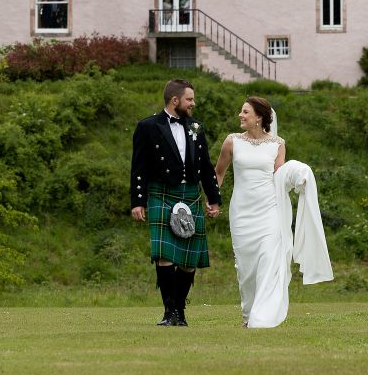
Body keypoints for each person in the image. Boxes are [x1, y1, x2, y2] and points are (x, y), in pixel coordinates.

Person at [214, 96, 332, 328]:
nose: (240, 115)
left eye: (245, 112)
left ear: (259, 117)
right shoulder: (232, 141)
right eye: (241, 111)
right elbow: (218, 173)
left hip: (269, 211)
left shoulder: (278, 144)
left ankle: (262, 317)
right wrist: (213, 201)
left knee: (268, 259)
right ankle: (248, 315)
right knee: (247, 269)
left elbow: (280, 175)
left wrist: (298, 173)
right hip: (241, 213)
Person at [130, 78, 221, 326]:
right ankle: (169, 311)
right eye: (189, 99)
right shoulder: (148, 126)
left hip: (190, 194)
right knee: (165, 256)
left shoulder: (196, 127)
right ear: (175, 100)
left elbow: (205, 166)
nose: (193, 103)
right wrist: (138, 201)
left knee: (190, 261)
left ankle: (180, 311)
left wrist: (214, 199)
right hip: (161, 193)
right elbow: (138, 167)